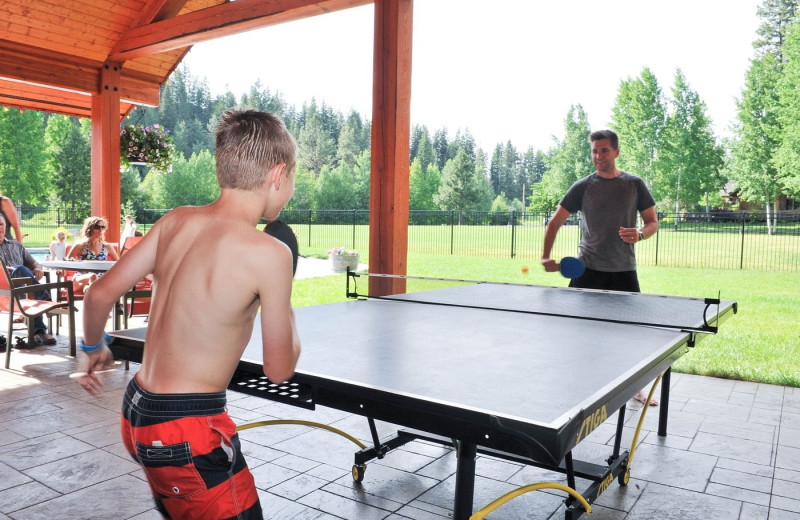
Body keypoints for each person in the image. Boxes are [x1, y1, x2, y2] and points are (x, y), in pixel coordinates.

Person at [77, 109, 302, 519]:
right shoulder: (270, 254)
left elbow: (97, 295)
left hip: (138, 411)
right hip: (187, 430)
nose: (290, 189)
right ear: (277, 174)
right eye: (293, 180)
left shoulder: (176, 220)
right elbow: (279, 370)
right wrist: (283, 292)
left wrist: (93, 346)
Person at [541, 129, 659, 406]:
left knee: (629, 333)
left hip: (623, 269)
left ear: (616, 152)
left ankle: (634, 389)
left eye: (604, 150)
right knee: (580, 331)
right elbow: (554, 222)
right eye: (595, 151)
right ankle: (578, 385)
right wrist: (546, 256)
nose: (598, 156)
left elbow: (653, 222)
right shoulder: (582, 186)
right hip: (588, 269)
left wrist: (641, 233)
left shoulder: (635, 184)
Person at [0, 213, 57, 347]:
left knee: (22, 274)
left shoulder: (16, 246)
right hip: (4, 293)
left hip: (24, 291)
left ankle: (39, 330)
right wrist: (5, 270)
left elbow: (34, 263)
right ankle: (45, 300)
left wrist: (38, 268)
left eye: (1, 224)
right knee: (19, 269)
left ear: (5, 226)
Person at [66, 216, 120, 293]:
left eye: (103, 227)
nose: (101, 230)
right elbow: (66, 263)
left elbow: (119, 264)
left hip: (101, 281)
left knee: (91, 286)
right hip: (81, 278)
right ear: (89, 229)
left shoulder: (107, 247)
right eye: (97, 227)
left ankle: (89, 291)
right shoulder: (80, 246)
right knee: (93, 276)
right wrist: (60, 270)